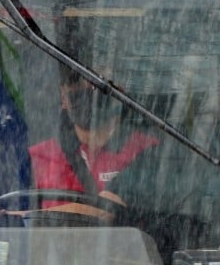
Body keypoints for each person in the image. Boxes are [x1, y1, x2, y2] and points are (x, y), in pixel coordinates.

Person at [29, 70, 158, 197]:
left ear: (120, 92)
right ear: (63, 96)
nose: (86, 90)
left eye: (98, 83)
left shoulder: (148, 151)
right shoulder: (39, 157)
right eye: (76, 81)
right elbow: (20, 213)